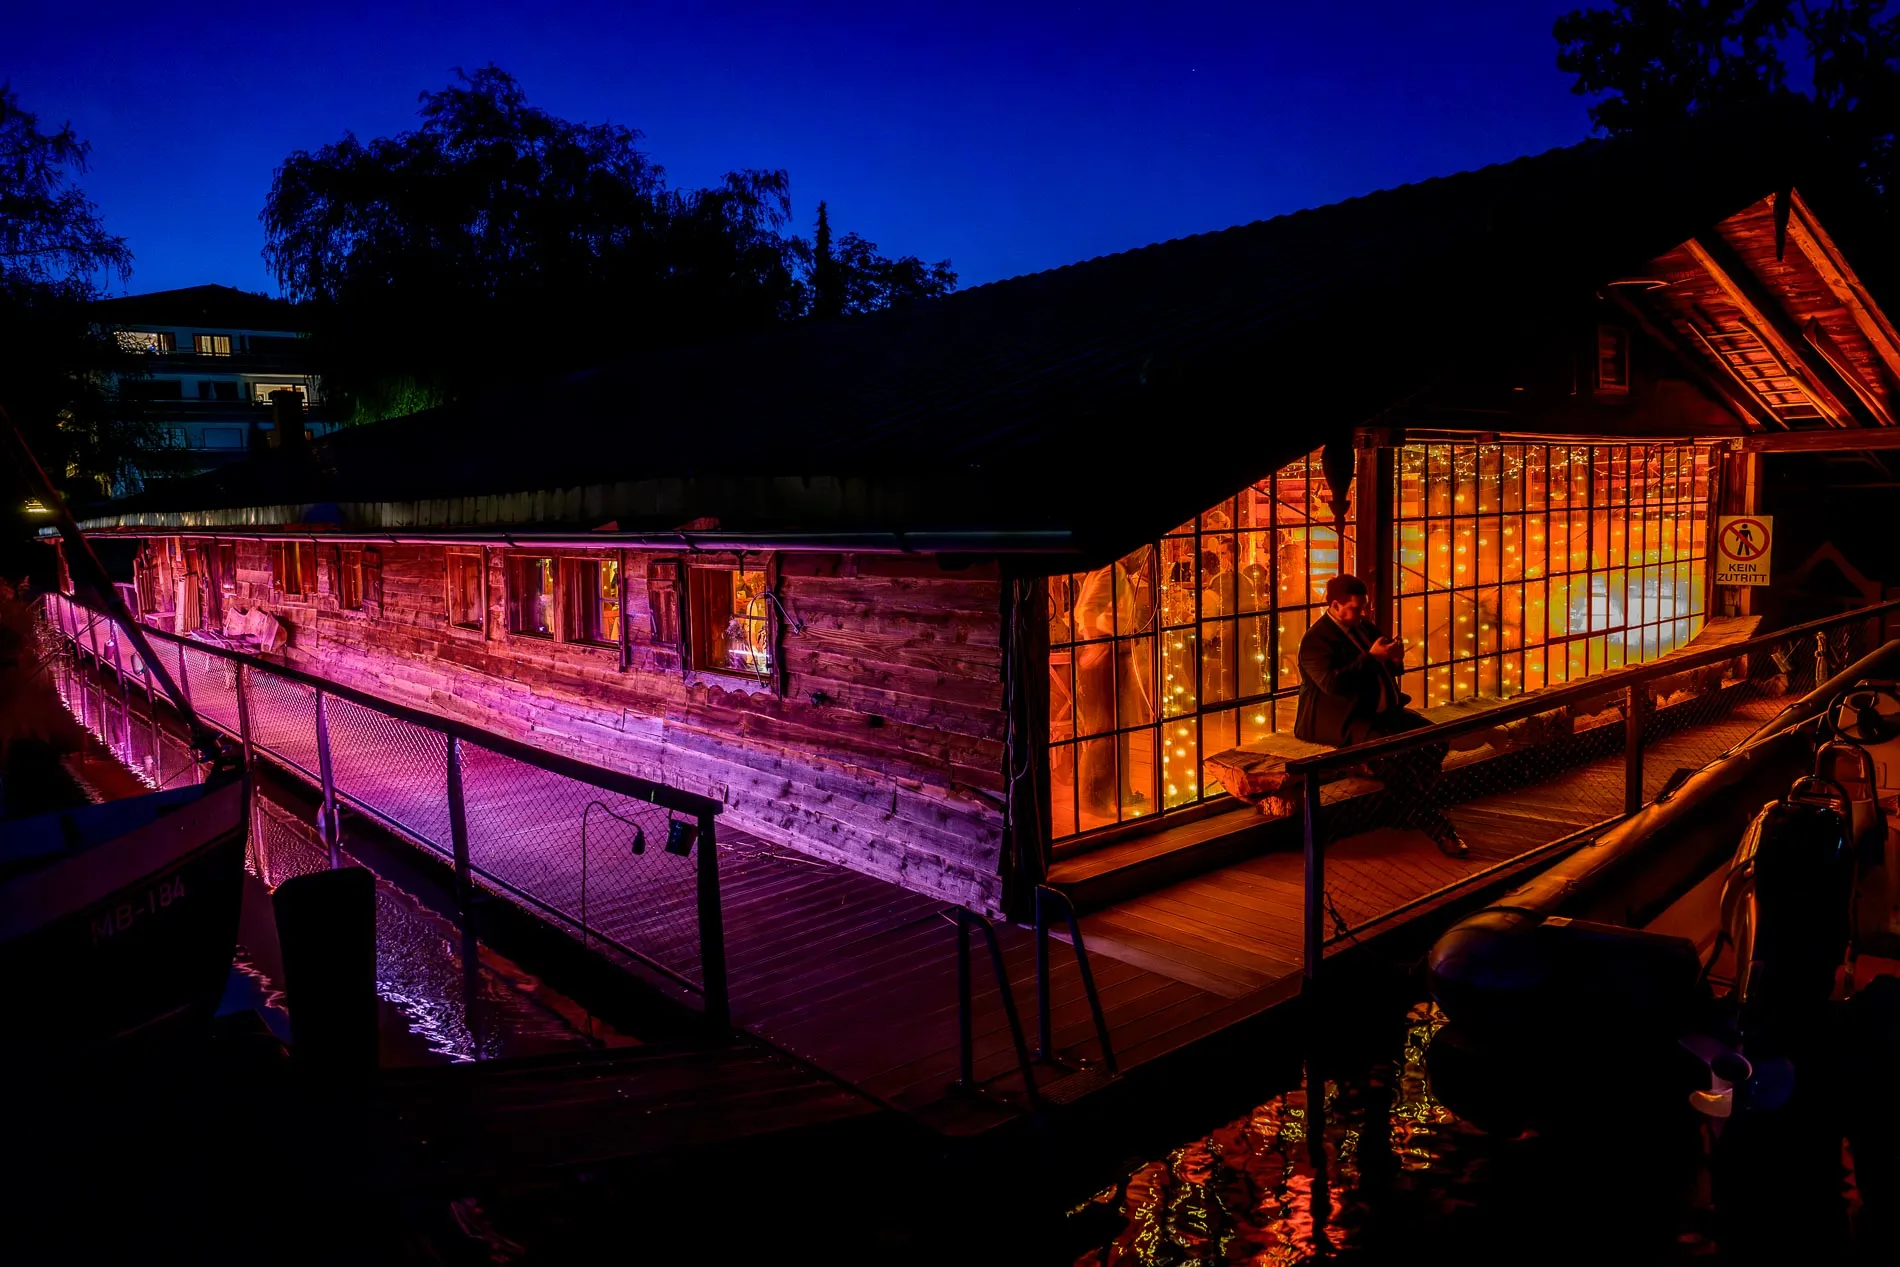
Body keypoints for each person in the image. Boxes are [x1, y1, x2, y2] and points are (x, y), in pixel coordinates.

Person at [1293, 574, 1467, 857]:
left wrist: (1395, 659)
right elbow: (1333, 684)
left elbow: (1384, 667)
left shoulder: (1363, 628)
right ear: (1335, 606)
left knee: (1435, 739)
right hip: (1342, 719)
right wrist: (1372, 658)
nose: (1363, 613)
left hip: (1382, 711)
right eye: (1356, 607)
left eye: (1364, 606)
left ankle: (1406, 811)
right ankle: (1440, 830)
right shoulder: (1316, 640)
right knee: (1394, 760)